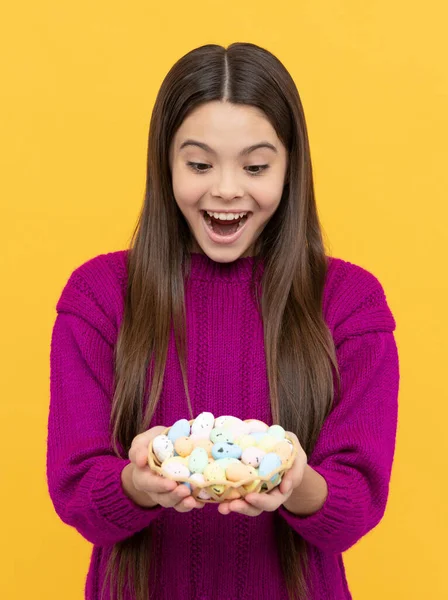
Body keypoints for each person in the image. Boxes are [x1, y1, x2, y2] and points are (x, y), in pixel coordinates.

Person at [47, 42, 400, 600]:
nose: (227, 189)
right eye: (199, 164)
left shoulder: (350, 303)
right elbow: (76, 493)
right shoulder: (99, 297)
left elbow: (355, 506)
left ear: (291, 167)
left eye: (255, 166)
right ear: (165, 165)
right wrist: (135, 485)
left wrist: (293, 482)